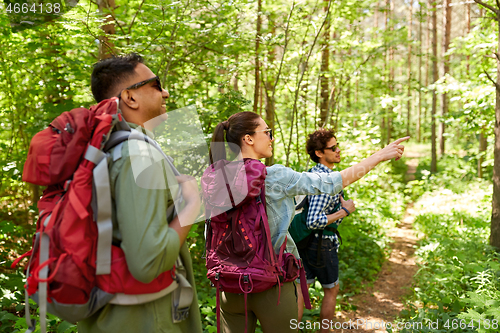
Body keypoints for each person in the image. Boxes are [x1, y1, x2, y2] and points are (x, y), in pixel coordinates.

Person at [206, 111, 408, 332]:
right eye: (267, 132)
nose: (271, 138)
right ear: (248, 138)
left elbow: (211, 234)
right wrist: (379, 155)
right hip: (271, 286)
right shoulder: (274, 176)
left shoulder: (216, 178)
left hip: (230, 286)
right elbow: (334, 182)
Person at [78, 53, 203, 333]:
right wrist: (192, 204)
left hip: (112, 313)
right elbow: (149, 262)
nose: (166, 92)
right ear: (130, 98)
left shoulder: (103, 147)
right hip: (147, 318)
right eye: (156, 85)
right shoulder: (138, 153)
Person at [296, 129, 353, 331]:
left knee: (302, 290)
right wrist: (344, 211)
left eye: (337, 146)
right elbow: (313, 220)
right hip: (321, 243)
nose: (338, 150)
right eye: (332, 148)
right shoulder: (325, 180)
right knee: (331, 290)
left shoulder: (309, 174)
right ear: (319, 153)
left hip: (303, 242)